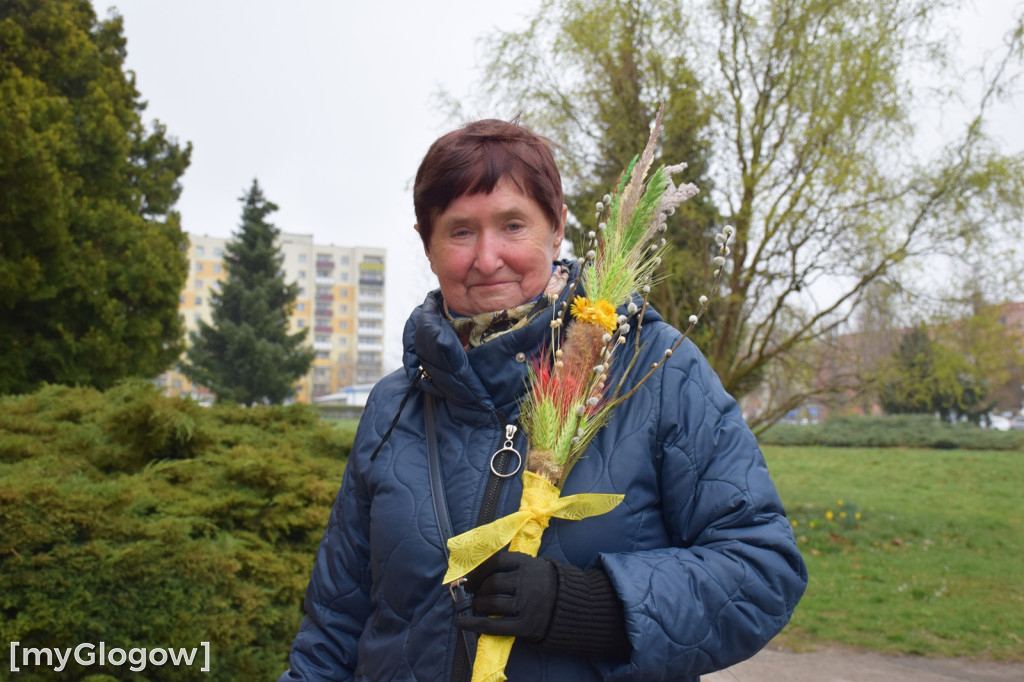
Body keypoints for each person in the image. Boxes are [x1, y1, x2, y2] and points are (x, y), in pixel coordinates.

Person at [280, 118, 807, 681]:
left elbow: (762, 570)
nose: (487, 258)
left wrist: (592, 606)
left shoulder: (657, 370)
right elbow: (335, 625)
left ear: (557, 229)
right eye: (460, 231)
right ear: (427, 245)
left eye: (513, 225)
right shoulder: (395, 404)